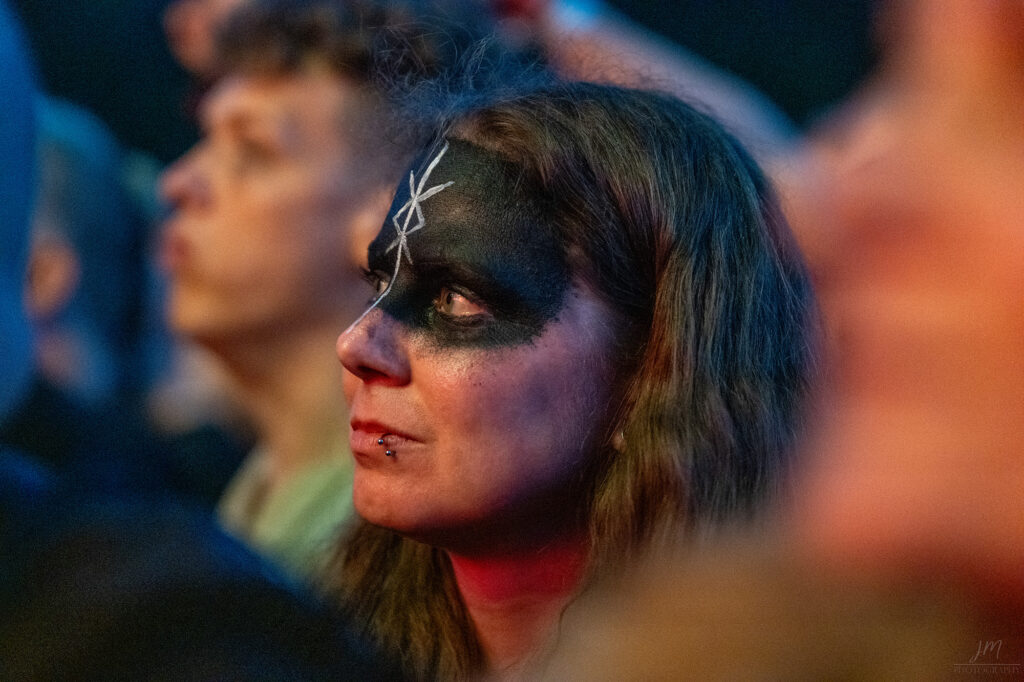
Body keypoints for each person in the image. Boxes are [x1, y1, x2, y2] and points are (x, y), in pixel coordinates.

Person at [327, 79, 817, 679]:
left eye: (456, 298)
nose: (356, 344)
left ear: (647, 370)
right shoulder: (304, 644)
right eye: (380, 285)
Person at [158, 0, 524, 580]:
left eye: (252, 151)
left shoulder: (413, 536)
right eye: (204, 140)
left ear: (398, 214)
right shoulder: (254, 491)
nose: (178, 183)